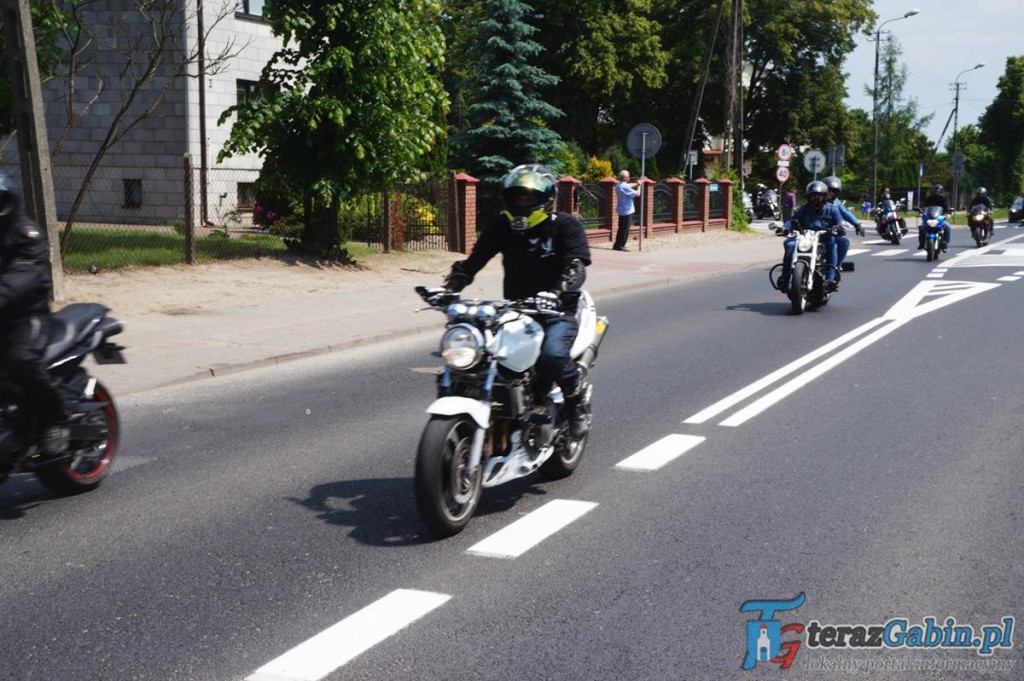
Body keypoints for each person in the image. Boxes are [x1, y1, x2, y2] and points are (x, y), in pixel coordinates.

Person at [444, 164, 592, 437]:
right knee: (479, 357)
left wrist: (558, 292)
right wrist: (452, 286)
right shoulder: (502, 225)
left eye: (529, 198)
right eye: (518, 197)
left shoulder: (564, 225)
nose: (523, 203)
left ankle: (576, 406)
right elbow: (475, 260)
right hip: (515, 311)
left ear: (545, 200)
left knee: (552, 356)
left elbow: (576, 266)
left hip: (557, 312)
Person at [0, 175, 68, 455]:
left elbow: (24, 277)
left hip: (27, 317)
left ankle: (55, 418)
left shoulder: (26, 234)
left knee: (20, 360)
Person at [778, 181, 844, 292]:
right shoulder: (804, 209)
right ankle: (785, 278)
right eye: (813, 196)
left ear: (824, 196)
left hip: (825, 237)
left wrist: (839, 227)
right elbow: (793, 220)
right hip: (806, 238)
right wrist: (785, 228)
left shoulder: (832, 209)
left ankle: (830, 279)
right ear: (809, 197)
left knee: (833, 246)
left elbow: (840, 221)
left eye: (819, 195)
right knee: (789, 244)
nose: (816, 198)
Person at [918, 184, 952, 252]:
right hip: (929, 217)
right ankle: (921, 243)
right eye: (936, 191)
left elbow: (948, 207)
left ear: (942, 191)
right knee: (922, 227)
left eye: (939, 191)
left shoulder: (944, 199)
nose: (937, 192)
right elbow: (923, 206)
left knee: (948, 227)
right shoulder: (929, 199)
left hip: (940, 218)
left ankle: (945, 243)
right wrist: (921, 211)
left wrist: (948, 213)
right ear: (933, 191)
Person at [613, 170, 638, 251]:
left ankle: (617, 245)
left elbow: (629, 185)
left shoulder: (618, 185)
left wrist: (636, 183)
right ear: (625, 177)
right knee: (625, 229)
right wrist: (640, 186)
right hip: (627, 210)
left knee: (621, 228)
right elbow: (637, 194)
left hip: (622, 209)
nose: (629, 178)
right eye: (628, 176)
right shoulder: (624, 186)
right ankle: (621, 245)